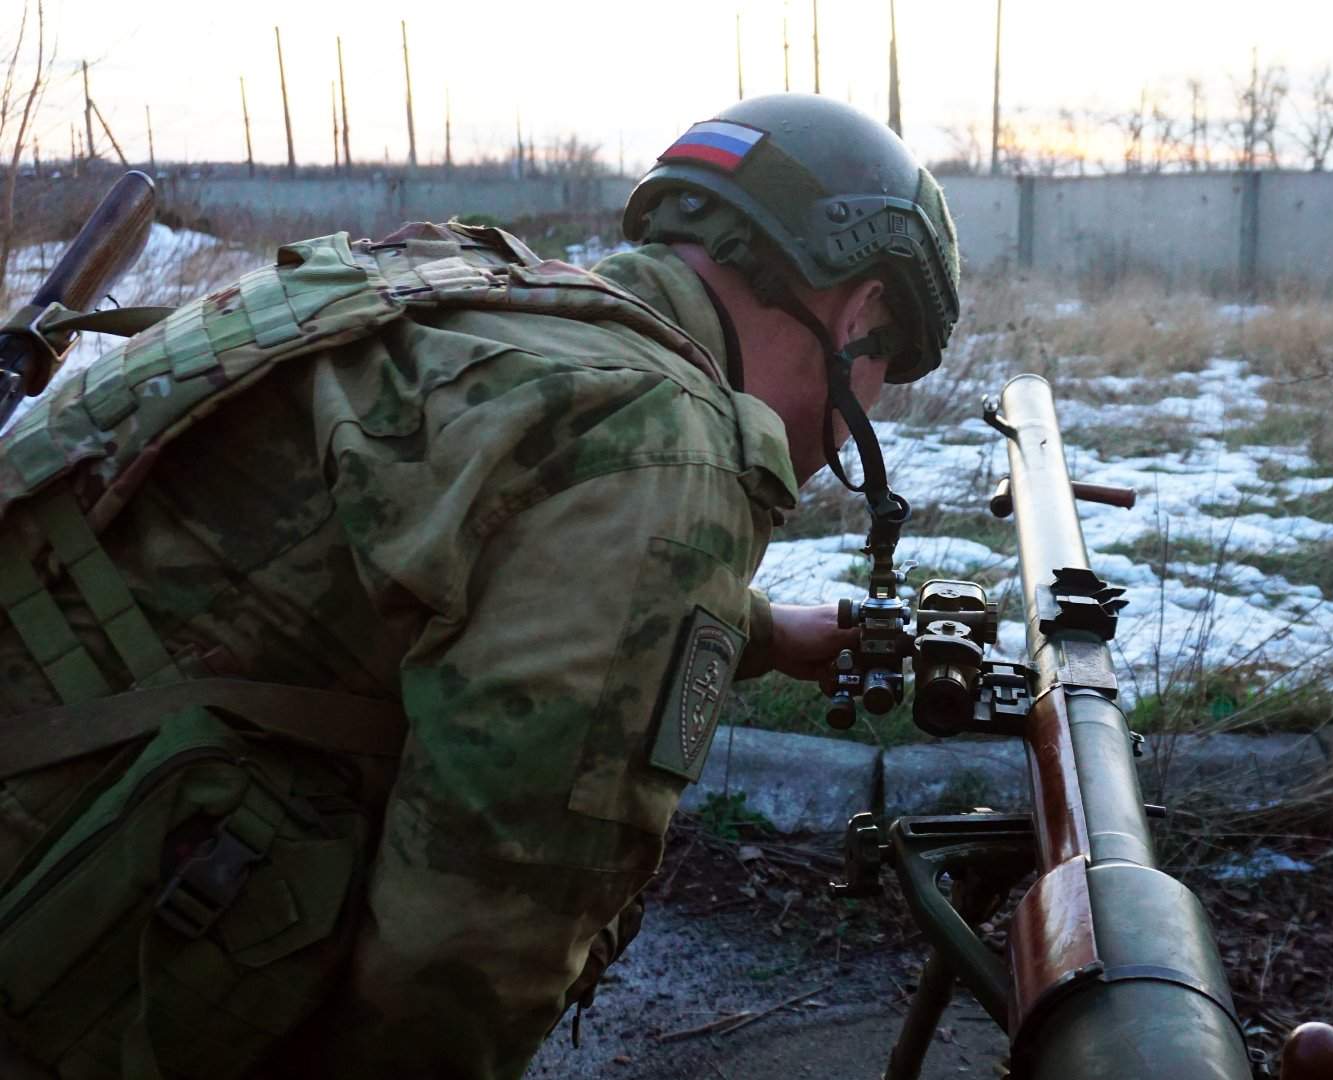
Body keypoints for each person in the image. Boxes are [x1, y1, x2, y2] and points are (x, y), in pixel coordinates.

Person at [0, 93, 960, 1079]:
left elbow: (454, 563)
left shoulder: (467, 304)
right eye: (887, 371)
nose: (861, 420)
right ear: (862, 318)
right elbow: (467, 962)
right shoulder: (663, 446)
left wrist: (754, 632)